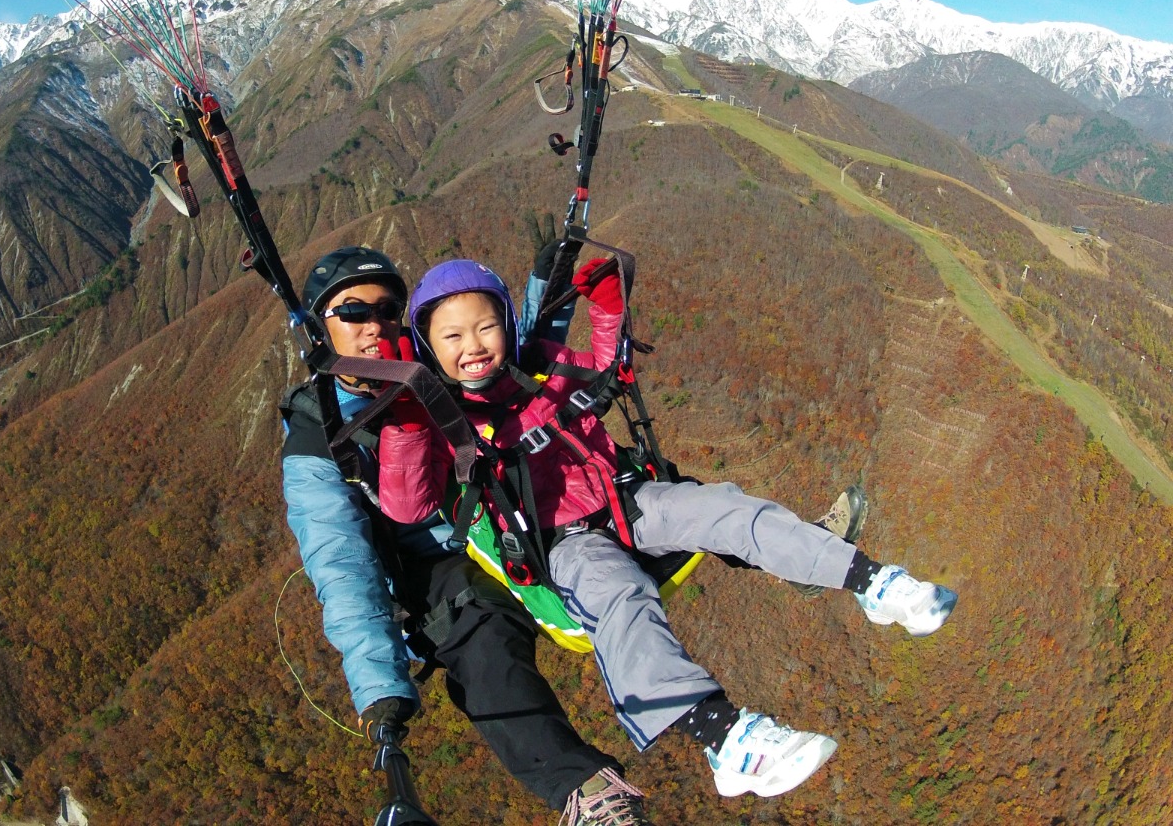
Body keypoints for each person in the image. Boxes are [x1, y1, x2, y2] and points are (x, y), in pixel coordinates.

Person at [377, 258, 959, 801]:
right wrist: (405, 420)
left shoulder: (540, 368)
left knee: (723, 509)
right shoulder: (439, 424)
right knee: (621, 598)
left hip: (626, 500)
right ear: (429, 345)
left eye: (485, 327)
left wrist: (609, 308)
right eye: (452, 337)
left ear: (506, 323)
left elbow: (605, 370)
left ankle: (874, 584)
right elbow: (407, 506)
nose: (474, 347)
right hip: (562, 545)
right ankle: (727, 740)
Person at [280, 246, 651, 825]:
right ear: (320, 329)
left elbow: (504, 353)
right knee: (480, 640)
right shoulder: (317, 437)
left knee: (639, 502)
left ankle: (793, 547)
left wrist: (547, 278)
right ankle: (586, 791)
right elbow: (341, 562)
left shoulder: (431, 368)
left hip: (512, 509)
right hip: (444, 558)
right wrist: (381, 689)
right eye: (352, 311)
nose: (374, 324)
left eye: (388, 309)